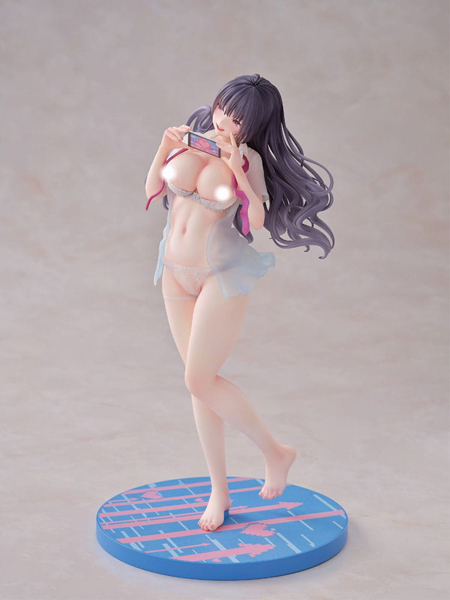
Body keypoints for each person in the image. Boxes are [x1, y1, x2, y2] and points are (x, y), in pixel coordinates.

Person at [144, 74, 335, 531]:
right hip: (173, 271)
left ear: (254, 125)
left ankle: (275, 452)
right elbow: (152, 189)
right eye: (222, 109)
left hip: (220, 273)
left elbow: (257, 219)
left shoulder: (247, 159)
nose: (225, 122)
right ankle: (219, 489)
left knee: (199, 377)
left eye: (238, 119)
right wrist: (164, 147)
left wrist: (238, 170)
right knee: (198, 384)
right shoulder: (190, 141)